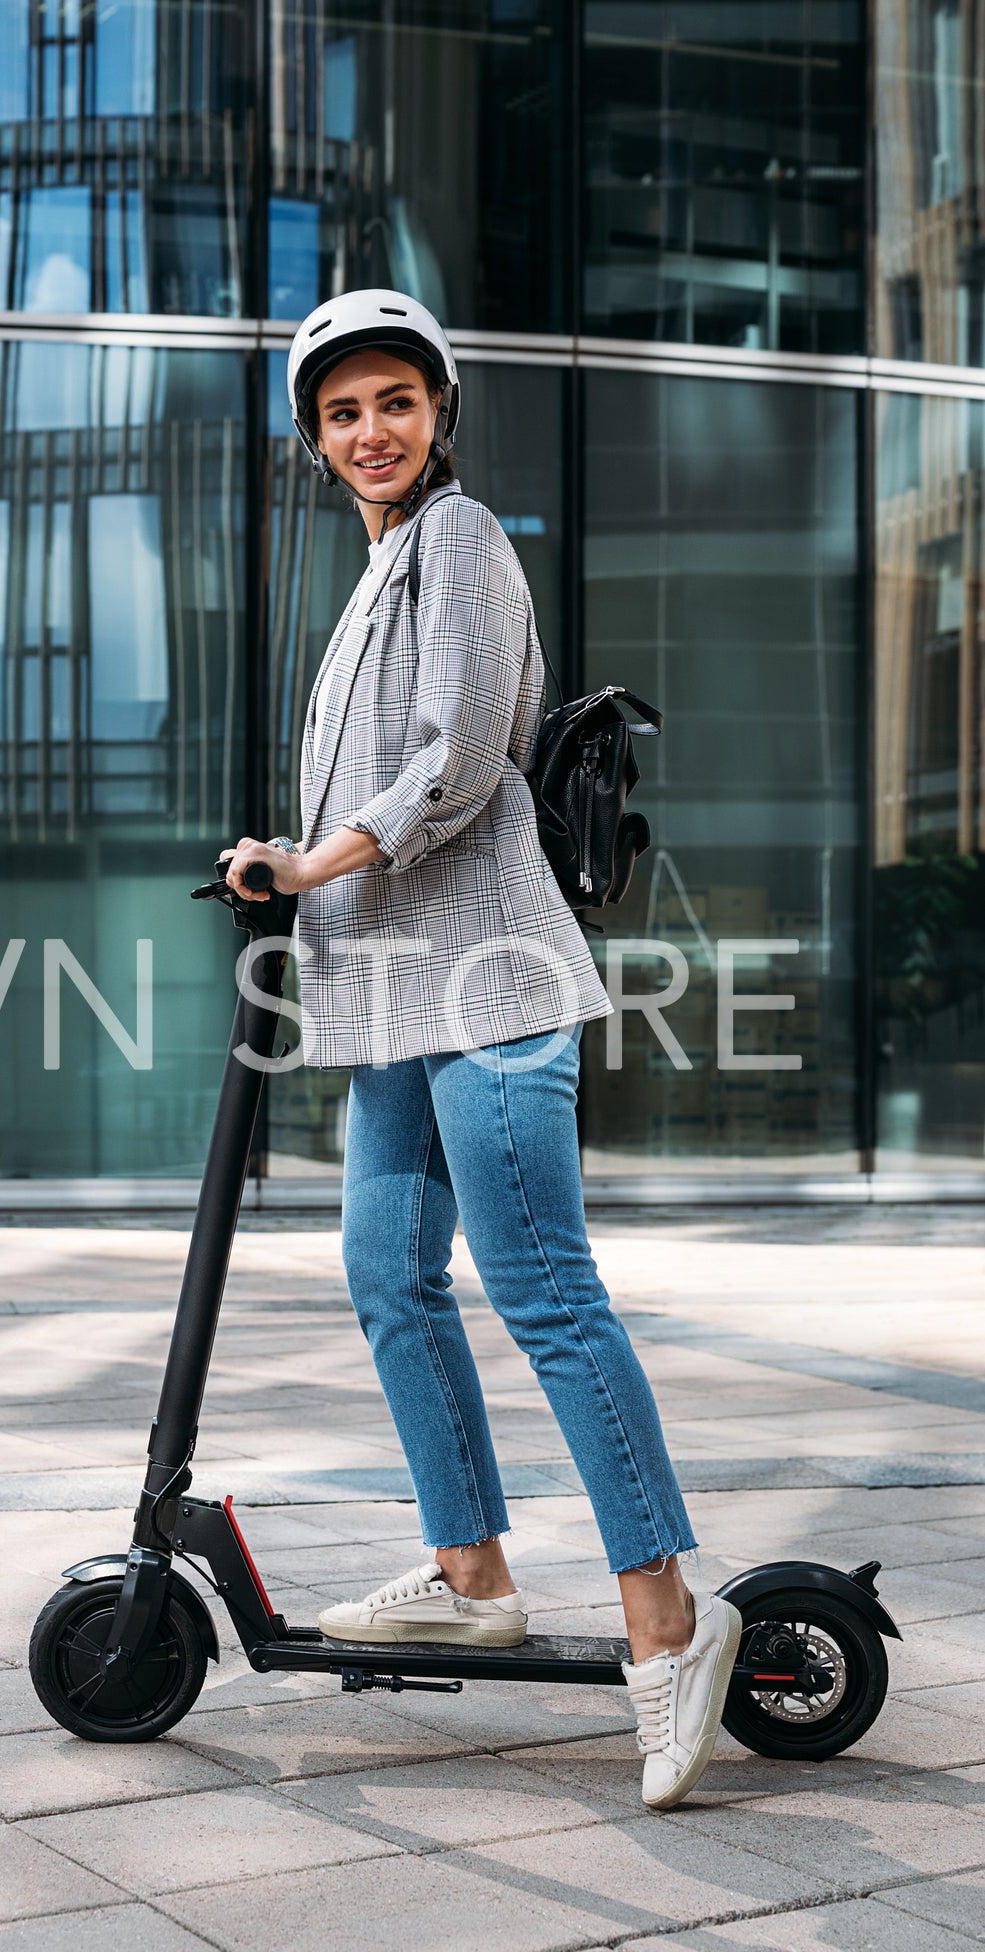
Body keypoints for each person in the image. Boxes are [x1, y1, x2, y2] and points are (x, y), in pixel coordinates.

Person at [220, 289, 739, 1812]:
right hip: (396, 996)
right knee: (388, 1273)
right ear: (315, 443)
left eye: (392, 401)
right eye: (340, 413)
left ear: (437, 412)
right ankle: (469, 1568)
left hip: (491, 981)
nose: (369, 431)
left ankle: (668, 1620)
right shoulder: (383, 566)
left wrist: (313, 863)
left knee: (543, 1294)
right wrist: (293, 863)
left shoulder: (458, 542)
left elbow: (450, 757)